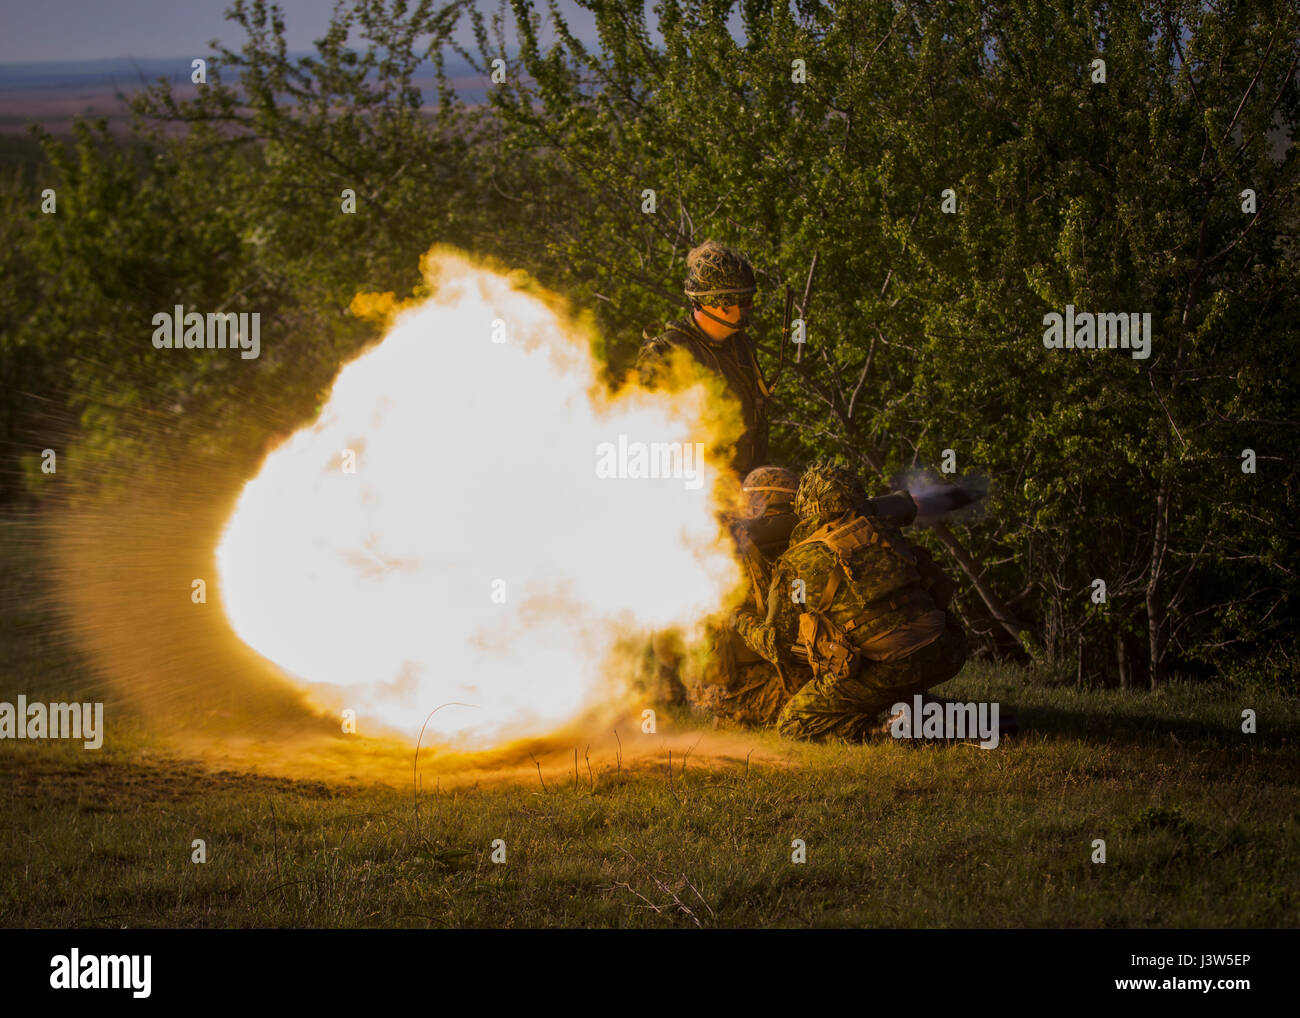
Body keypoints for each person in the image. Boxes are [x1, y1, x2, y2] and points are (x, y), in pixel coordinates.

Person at [728, 461, 968, 741]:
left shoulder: (798, 561)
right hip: (947, 650)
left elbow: (775, 645)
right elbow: (938, 588)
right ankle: (932, 712)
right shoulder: (884, 530)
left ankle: (886, 731)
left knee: (793, 723)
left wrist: (740, 619)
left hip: (891, 665)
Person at [685, 466, 809, 728]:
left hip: (752, 671)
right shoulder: (729, 554)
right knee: (813, 704)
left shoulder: (764, 552)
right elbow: (767, 637)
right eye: (780, 512)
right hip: (728, 686)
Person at [636, 240, 772, 477]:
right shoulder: (665, 355)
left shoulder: (741, 347)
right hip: (693, 494)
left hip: (743, 491)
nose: (751, 308)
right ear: (719, 304)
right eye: (745, 301)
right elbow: (647, 438)